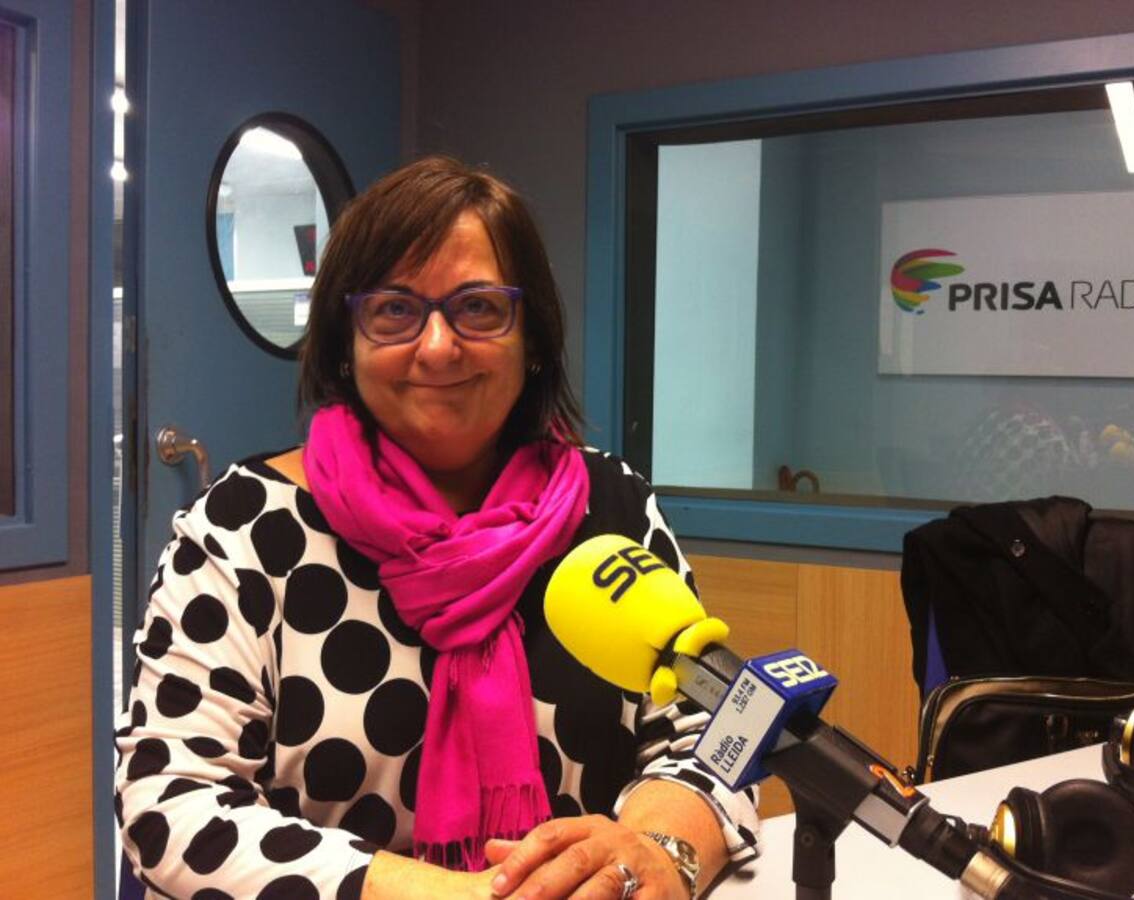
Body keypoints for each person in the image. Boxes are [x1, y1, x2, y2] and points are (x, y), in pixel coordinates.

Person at [114, 156, 759, 899]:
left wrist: (659, 851)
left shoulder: (609, 506)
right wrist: (449, 895)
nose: (437, 346)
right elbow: (170, 800)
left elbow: (718, 734)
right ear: (345, 342)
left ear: (533, 337)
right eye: (394, 309)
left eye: (478, 307)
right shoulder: (243, 527)